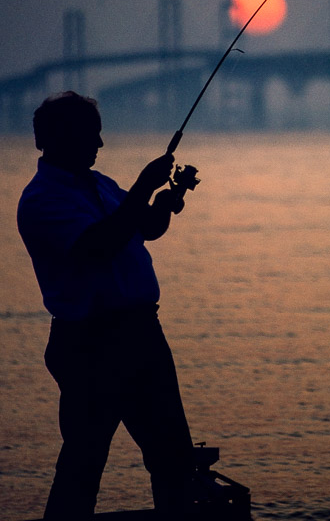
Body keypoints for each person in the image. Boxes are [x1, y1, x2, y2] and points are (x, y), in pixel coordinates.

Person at [17, 91, 196, 520]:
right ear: (60, 138)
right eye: (92, 135)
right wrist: (141, 187)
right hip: (90, 345)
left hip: (143, 335)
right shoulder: (41, 200)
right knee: (84, 464)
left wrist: (163, 204)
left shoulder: (100, 185)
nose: (100, 145)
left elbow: (143, 228)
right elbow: (96, 247)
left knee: (173, 457)